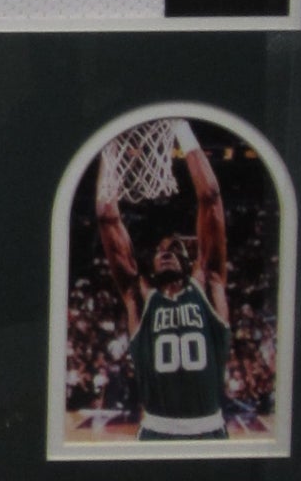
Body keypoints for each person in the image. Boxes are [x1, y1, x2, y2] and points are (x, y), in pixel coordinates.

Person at [95, 119, 231, 439]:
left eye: (175, 248)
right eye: (160, 250)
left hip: (209, 428)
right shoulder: (141, 297)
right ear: (152, 263)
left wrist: (181, 128)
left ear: (190, 261)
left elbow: (210, 197)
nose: (166, 251)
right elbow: (106, 216)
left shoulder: (209, 285)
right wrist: (109, 147)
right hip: (156, 430)